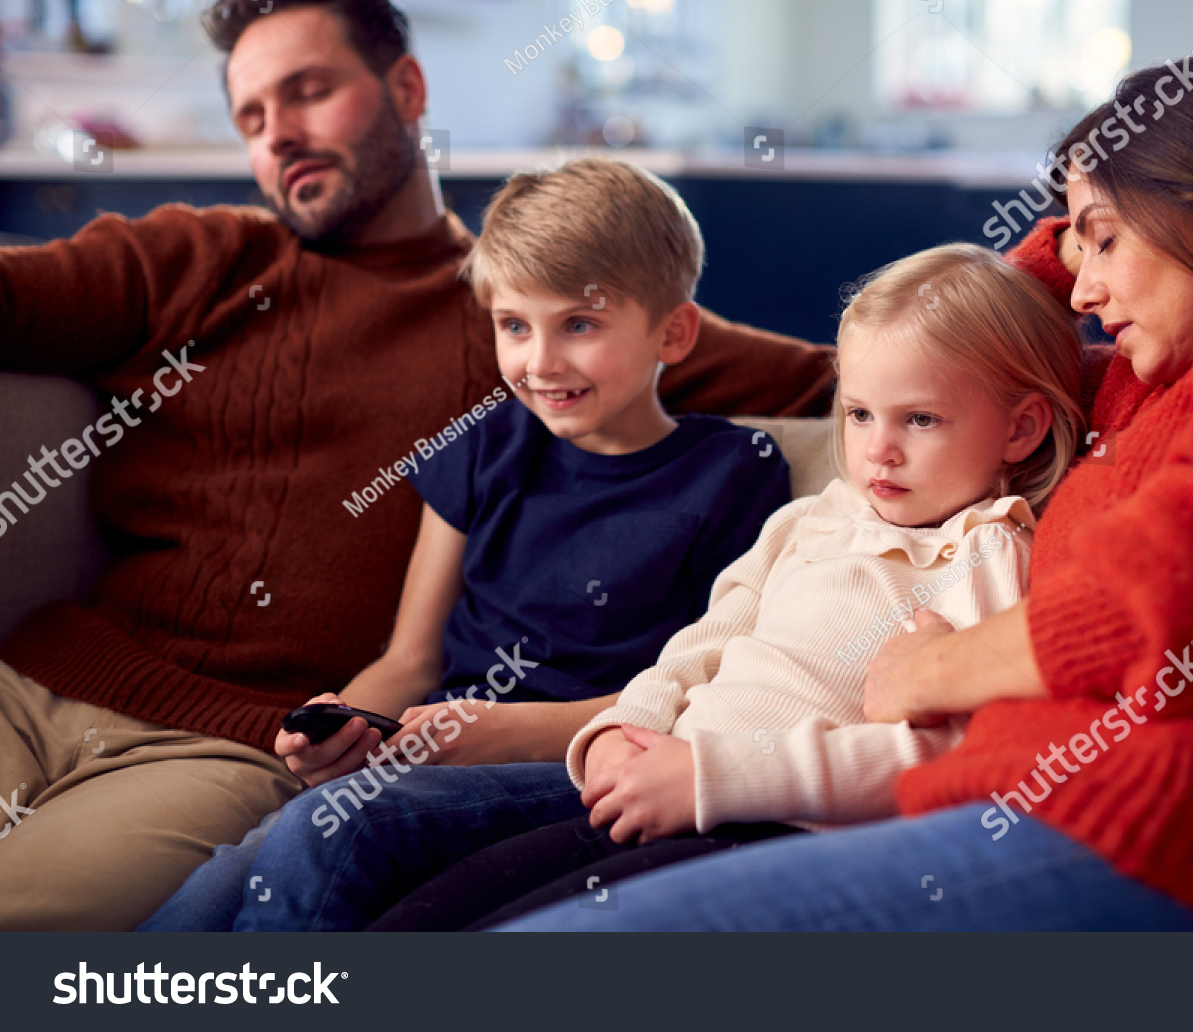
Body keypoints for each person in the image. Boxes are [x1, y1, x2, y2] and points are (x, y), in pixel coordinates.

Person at [490, 53, 1193, 932]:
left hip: (1160, 836)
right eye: (1079, 243)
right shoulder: (1141, 385)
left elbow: (1189, 603)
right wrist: (1098, 209)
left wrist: (932, 671)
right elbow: (966, 327)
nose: (1086, 283)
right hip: (990, 802)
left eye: (1102, 240)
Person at [0, 0, 832, 930]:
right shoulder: (201, 254)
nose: (282, 138)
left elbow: (859, 373)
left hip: (218, 749)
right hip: (31, 679)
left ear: (405, 87)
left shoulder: (533, 306)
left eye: (308, 93)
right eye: (253, 118)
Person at [140, 155, 791, 932]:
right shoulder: (485, 445)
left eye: (579, 325)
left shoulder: (734, 472)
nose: (540, 361)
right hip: (434, 752)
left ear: (674, 331)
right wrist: (343, 725)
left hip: (581, 767)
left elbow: (707, 692)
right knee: (219, 881)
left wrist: (503, 730)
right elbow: (409, 662)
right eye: (514, 325)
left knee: (330, 833)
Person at [364, 244, 1088, 931]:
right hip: (659, 776)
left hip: (768, 827)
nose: (877, 450)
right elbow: (701, 646)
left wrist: (713, 773)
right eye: (860, 413)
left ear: (1021, 428)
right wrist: (626, 729)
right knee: (416, 917)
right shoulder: (813, 517)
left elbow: (939, 758)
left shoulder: (990, 553)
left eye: (920, 419)